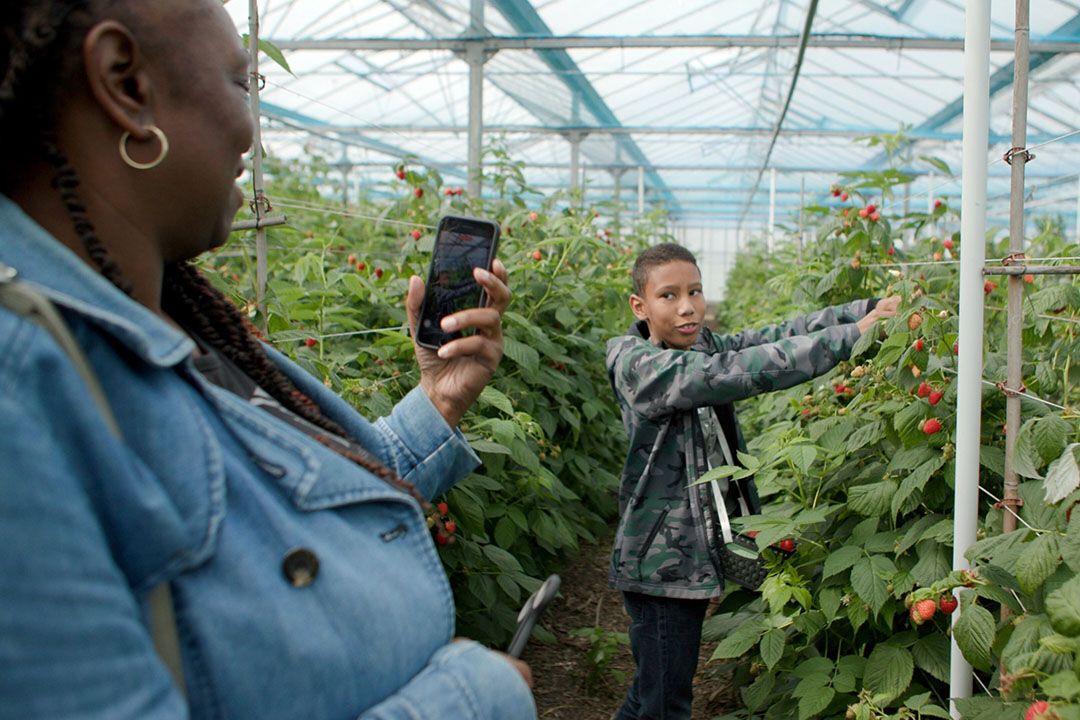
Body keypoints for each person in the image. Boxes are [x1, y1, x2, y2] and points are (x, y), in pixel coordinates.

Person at [0, 2, 535, 718]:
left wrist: (440, 398)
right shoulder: (18, 385)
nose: (251, 130)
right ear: (125, 84)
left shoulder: (176, 321)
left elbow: (294, 503)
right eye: (239, 81)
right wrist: (479, 697)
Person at [606, 243, 899, 720]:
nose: (687, 306)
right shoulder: (638, 365)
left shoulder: (697, 344)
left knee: (650, 693)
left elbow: (773, 336)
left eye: (695, 291)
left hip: (685, 557)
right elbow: (735, 371)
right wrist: (850, 338)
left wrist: (862, 311)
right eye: (669, 295)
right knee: (666, 705)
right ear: (639, 306)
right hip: (659, 565)